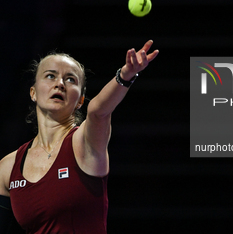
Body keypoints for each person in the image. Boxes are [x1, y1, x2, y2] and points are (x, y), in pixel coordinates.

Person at [0, 40, 159, 233]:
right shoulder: (7, 167)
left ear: (80, 101)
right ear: (33, 92)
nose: (59, 84)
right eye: (50, 76)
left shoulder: (85, 142)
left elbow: (98, 112)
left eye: (70, 80)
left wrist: (125, 76)